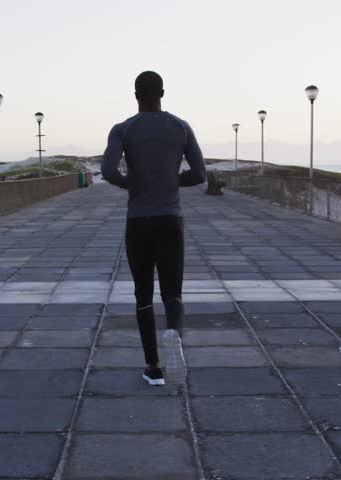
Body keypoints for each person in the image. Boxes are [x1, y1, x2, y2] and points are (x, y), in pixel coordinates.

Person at [101, 71, 207, 385]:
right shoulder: (180, 127)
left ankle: (153, 368)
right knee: (172, 293)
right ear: (163, 92)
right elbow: (200, 174)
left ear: (136, 94)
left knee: (143, 295)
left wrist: (130, 184)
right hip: (170, 219)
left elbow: (107, 170)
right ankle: (173, 330)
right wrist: (171, 180)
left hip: (138, 222)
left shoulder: (123, 129)